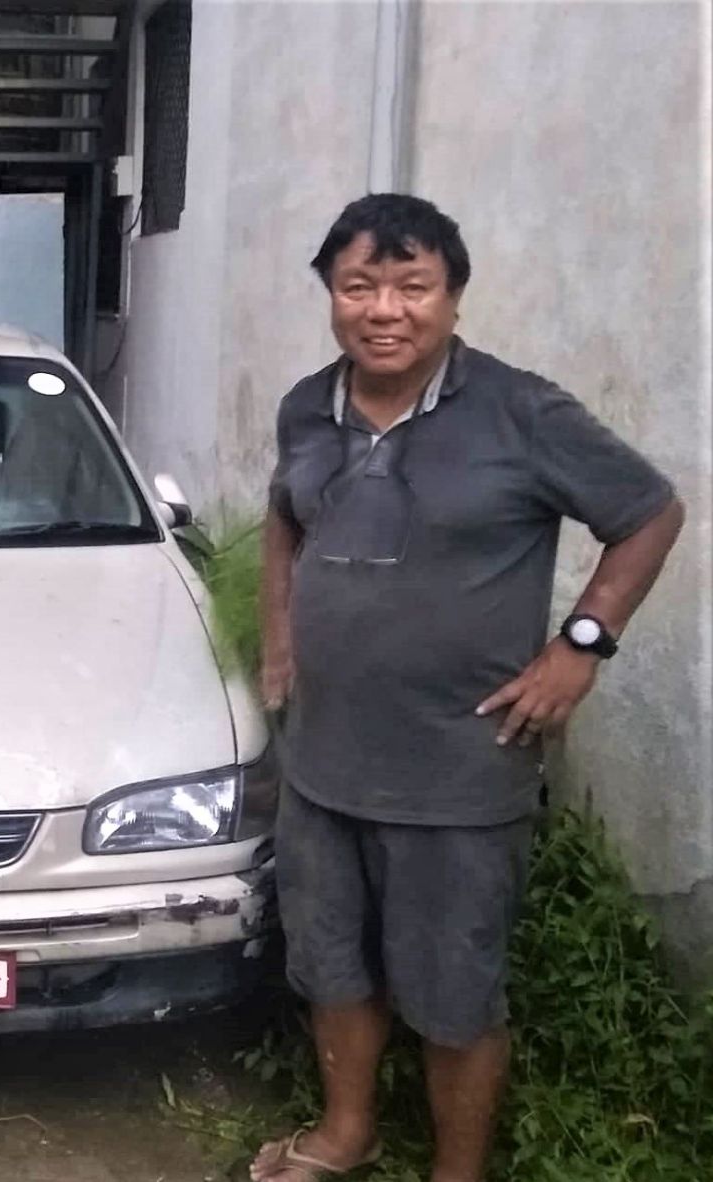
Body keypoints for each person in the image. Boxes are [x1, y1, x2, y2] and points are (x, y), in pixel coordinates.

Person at [251, 194, 683, 1182]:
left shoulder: (520, 411)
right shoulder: (303, 408)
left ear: (452, 298)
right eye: (359, 285)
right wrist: (278, 634)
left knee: (454, 993)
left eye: (413, 286)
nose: (384, 309)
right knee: (332, 965)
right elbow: (285, 513)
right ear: (331, 294)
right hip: (321, 764)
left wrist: (582, 642)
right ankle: (345, 1134)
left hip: (458, 775)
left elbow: (648, 512)